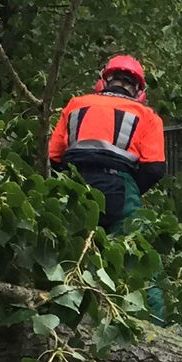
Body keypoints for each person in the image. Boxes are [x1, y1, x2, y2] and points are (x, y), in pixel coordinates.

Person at [47, 54, 168, 317]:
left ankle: (62, 319)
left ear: (102, 81)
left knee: (70, 258)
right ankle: (152, 326)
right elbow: (155, 167)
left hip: (74, 186)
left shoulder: (75, 105)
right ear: (139, 91)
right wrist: (130, 188)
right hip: (119, 186)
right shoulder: (146, 116)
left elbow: (54, 157)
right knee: (141, 260)